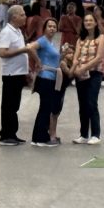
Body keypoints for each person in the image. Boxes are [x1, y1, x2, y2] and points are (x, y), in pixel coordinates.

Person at [72, 12, 104, 145]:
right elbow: (75, 56)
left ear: (95, 23)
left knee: (91, 102)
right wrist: (76, 67)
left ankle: (95, 134)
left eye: (90, 20)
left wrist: (84, 67)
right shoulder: (80, 39)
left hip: (94, 74)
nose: (88, 23)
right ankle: (83, 134)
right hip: (81, 75)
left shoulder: (101, 38)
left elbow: (99, 57)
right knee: (82, 104)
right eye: (86, 21)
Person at [0, 5, 31, 146]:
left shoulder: (17, 31)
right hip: (11, 74)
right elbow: (2, 53)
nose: (25, 17)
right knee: (9, 106)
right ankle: (5, 135)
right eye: (22, 15)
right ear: (14, 17)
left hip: (19, 73)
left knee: (15, 106)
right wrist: (22, 50)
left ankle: (12, 133)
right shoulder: (7, 32)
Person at [29, 18, 63, 147]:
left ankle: (38, 137)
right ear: (44, 28)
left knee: (45, 108)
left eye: (54, 26)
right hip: (45, 77)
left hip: (52, 77)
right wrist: (38, 61)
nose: (52, 28)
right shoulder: (42, 41)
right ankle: (41, 138)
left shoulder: (51, 43)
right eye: (49, 26)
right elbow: (31, 47)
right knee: (45, 108)